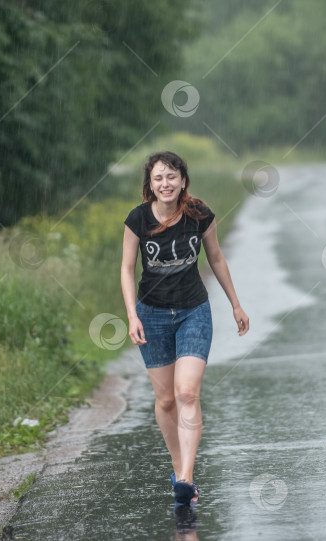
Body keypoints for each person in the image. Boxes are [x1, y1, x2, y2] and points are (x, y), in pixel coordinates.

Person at [121, 151, 250, 505]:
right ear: (150, 183)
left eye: (172, 177)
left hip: (194, 311)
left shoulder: (199, 215)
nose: (166, 183)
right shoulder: (137, 220)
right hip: (152, 315)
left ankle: (187, 478)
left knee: (187, 393)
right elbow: (126, 269)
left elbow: (217, 258)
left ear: (183, 180)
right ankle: (178, 468)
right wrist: (132, 316)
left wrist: (236, 305)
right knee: (165, 400)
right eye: (159, 177)